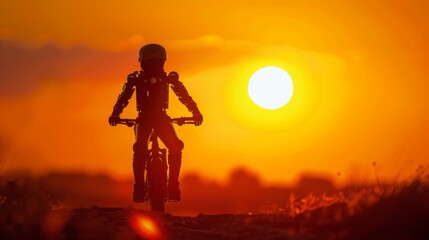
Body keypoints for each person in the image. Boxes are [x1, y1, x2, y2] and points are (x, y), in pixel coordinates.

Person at [108, 44, 203, 202]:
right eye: (151, 63)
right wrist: (195, 112)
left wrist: (115, 115)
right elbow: (183, 96)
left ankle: (143, 188)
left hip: (147, 120)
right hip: (157, 120)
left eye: (156, 63)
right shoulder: (158, 79)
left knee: (144, 148)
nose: (153, 67)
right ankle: (170, 187)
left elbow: (123, 98)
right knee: (172, 148)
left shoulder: (140, 79)